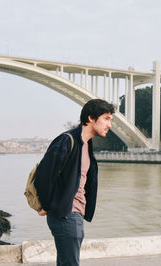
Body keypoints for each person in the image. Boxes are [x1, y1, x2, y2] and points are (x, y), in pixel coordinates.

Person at [34, 99, 115, 266]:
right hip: (66, 214)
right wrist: (48, 205)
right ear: (91, 118)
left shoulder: (86, 144)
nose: (110, 125)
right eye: (106, 118)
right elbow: (43, 174)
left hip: (75, 213)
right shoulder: (67, 140)